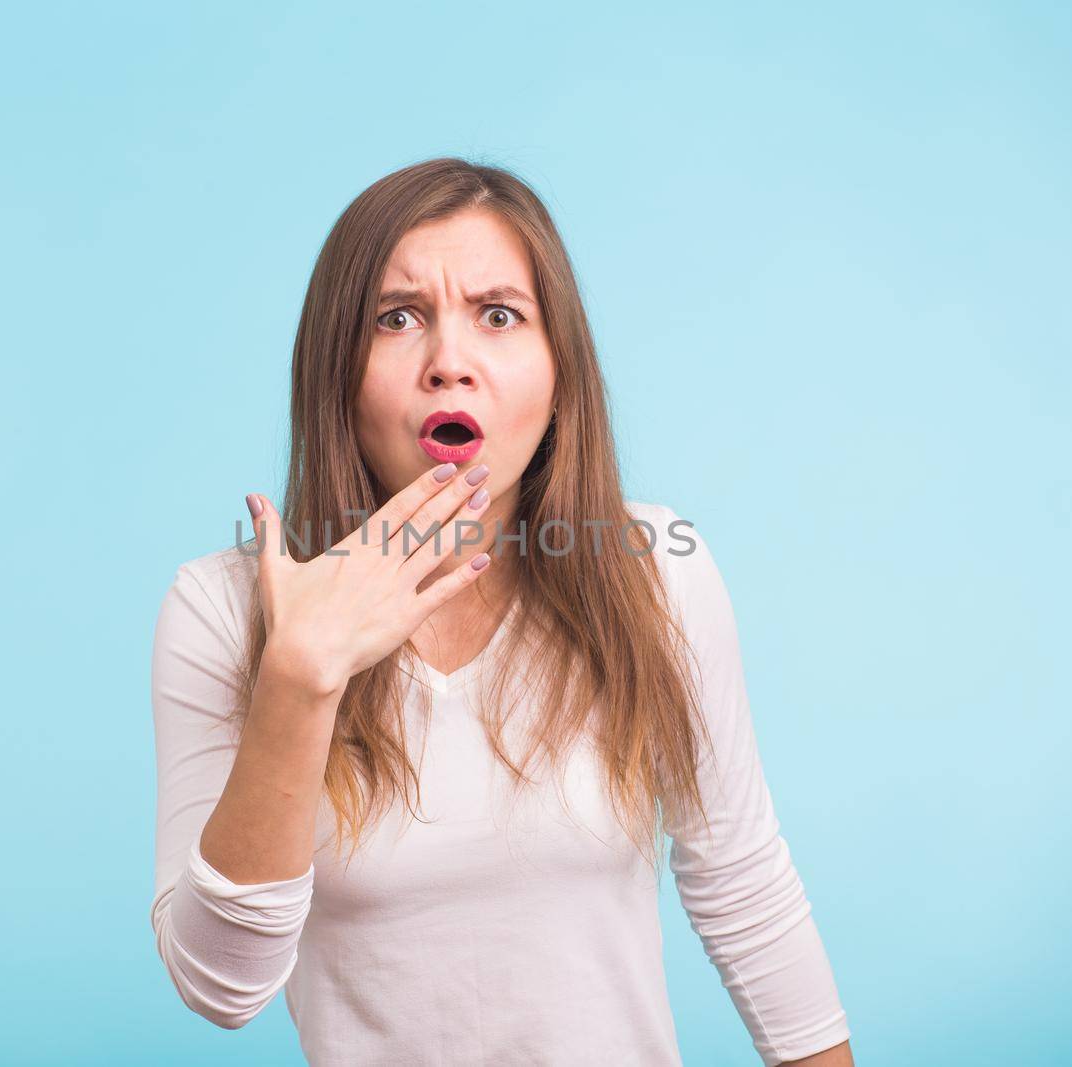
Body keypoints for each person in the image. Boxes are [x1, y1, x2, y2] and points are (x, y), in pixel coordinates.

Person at [148, 157, 855, 1066]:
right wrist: (299, 679)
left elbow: (745, 888)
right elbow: (220, 987)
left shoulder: (657, 574)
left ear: (559, 366)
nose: (451, 362)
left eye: (499, 315)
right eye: (397, 318)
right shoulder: (221, 609)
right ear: (337, 368)